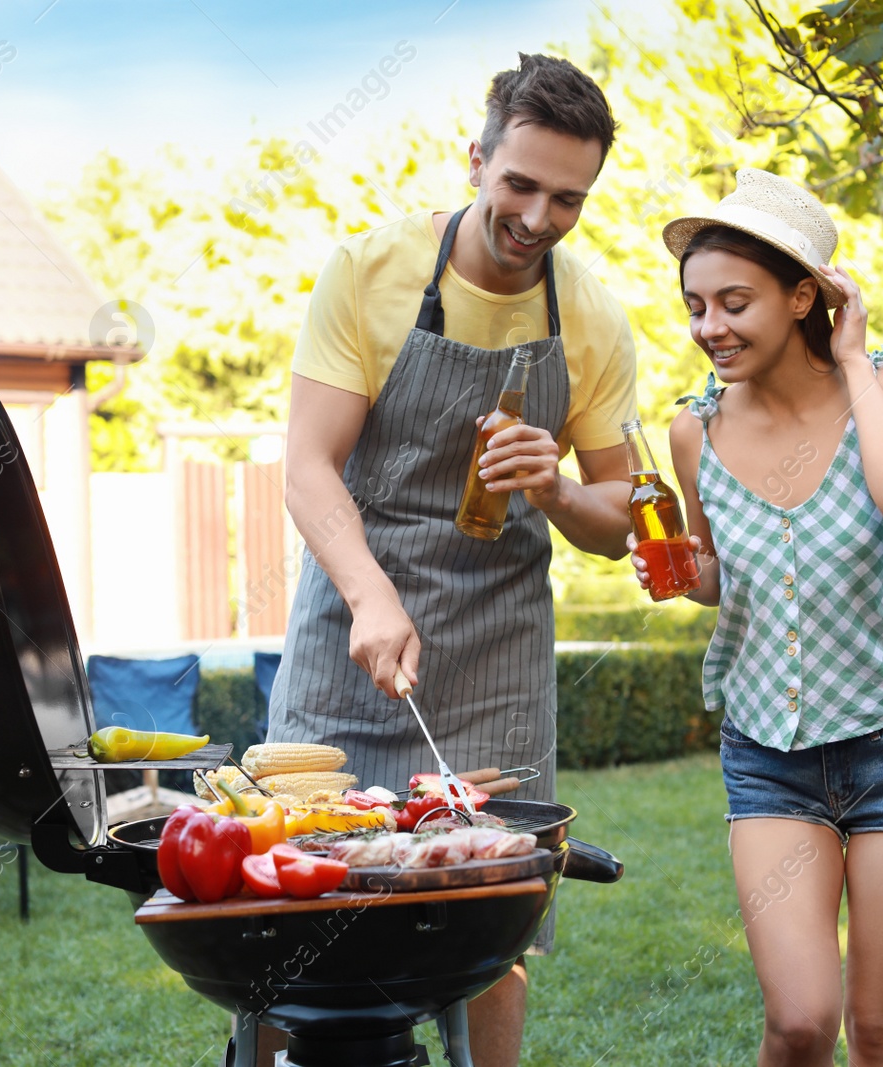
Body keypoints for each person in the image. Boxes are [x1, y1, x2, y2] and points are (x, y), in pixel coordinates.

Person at [267, 53, 638, 1066]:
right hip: (356, 621)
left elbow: (622, 519)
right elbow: (306, 465)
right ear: (473, 159)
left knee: (489, 922)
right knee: (295, 898)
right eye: (519, 184)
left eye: (568, 199)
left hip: (494, 643)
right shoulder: (372, 270)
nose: (536, 217)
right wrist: (369, 591)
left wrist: (558, 487)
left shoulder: (593, 316)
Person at [641, 168, 883, 1066]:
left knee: (878, 1028)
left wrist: (856, 353)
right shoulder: (695, 432)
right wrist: (679, 569)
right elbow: (716, 574)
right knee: (798, 1020)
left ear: (803, 296)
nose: (710, 328)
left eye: (735, 302)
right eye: (696, 306)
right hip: (768, 755)